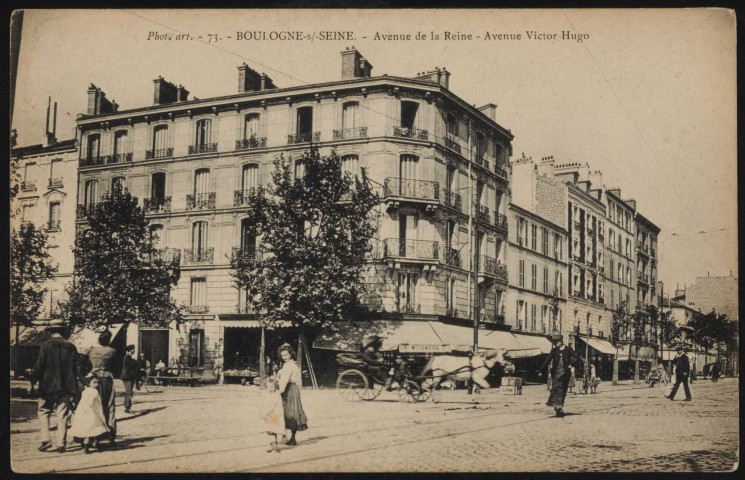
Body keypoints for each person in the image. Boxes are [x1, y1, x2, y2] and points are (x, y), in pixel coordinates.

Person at [33, 319, 80, 453]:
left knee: (43, 412)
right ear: (64, 330)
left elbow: (39, 366)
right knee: (62, 414)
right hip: (65, 386)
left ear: (51, 331)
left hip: (47, 385)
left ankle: (45, 440)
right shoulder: (71, 347)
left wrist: (33, 379)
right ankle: (61, 444)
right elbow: (77, 367)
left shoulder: (45, 345)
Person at [84, 330, 118, 445]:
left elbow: (84, 364)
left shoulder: (91, 350)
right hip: (107, 378)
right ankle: (111, 434)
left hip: (93, 379)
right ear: (109, 340)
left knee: (94, 406)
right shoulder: (112, 351)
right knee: (109, 406)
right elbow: (115, 366)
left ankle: (94, 436)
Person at [538, 333, 578, 418]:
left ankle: (559, 408)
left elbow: (575, 357)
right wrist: (541, 370)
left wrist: (571, 363)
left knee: (563, 390)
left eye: (557, 341)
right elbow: (548, 360)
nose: (555, 343)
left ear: (561, 341)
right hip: (556, 373)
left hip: (566, 373)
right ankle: (558, 406)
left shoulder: (568, 349)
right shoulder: (554, 350)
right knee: (557, 388)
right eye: (554, 341)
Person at [69, 374, 110, 454]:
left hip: (82, 413)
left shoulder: (85, 391)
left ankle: (86, 446)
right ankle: (94, 442)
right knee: (96, 428)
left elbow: (81, 402)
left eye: (97, 383)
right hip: (92, 412)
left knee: (86, 430)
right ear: (89, 382)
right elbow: (98, 404)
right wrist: (101, 415)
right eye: (94, 382)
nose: (96, 385)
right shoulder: (95, 392)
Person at [277, 344, 308, 446]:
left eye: (286, 355)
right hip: (294, 389)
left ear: (291, 354)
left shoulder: (288, 366)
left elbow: (284, 380)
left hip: (288, 389)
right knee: (293, 412)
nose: (284, 357)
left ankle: (288, 437)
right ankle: (291, 437)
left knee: (287, 412)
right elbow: (298, 380)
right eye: (283, 355)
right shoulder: (294, 365)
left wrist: (279, 391)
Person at [260, 378, 286, 452]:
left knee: (270, 429)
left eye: (272, 387)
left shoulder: (275, 394)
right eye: (268, 387)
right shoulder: (273, 393)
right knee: (272, 430)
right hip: (274, 414)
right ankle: (273, 444)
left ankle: (273, 444)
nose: (270, 389)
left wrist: (265, 413)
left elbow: (271, 405)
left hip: (273, 415)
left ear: (276, 387)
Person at [121, 345, 138, 414]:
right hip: (127, 377)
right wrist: (135, 361)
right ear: (130, 350)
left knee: (129, 392)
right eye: (133, 349)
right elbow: (131, 365)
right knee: (129, 392)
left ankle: (127, 406)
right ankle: (127, 408)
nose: (134, 350)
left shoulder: (129, 357)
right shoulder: (127, 357)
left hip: (129, 377)